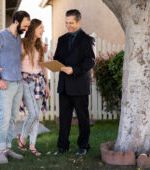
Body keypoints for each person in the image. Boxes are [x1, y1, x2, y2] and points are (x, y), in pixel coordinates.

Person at [0, 10, 31, 164]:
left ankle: (7, 147)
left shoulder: (18, 37)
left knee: (13, 118)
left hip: (18, 83)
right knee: (4, 118)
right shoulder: (0, 36)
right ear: (16, 21)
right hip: (4, 83)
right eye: (25, 26)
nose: (26, 29)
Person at [53, 9, 95, 156]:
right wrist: (53, 62)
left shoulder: (86, 39)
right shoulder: (62, 39)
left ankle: (84, 146)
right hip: (64, 85)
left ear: (79, 22)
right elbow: (57, 57)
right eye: (66, 22)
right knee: (64, 119)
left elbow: (90, 61)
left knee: (83, 118)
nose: (68, 25)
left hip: (79, 86)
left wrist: (74, 70)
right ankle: (62, 146)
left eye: (71, 23)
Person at [16, 19, 50, 156]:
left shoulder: (39, 46)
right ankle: (22, 139)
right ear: (33, 28)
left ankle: (32, 145)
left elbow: (42, 66)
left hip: (39, 82)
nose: (43, 30)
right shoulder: (22, 43)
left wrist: (47, 84)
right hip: (26, 81)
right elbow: (15, 63)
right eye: (41, 27)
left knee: (36, 116)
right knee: (34, 114)